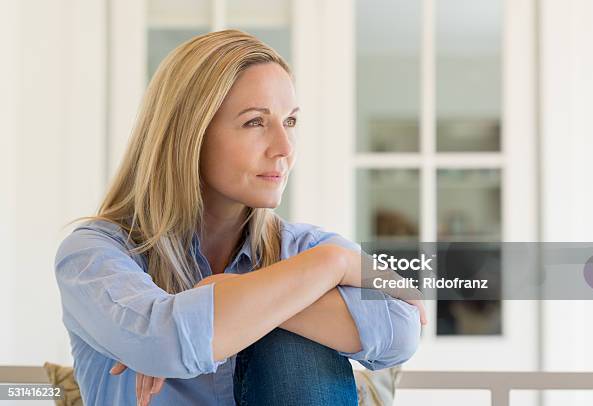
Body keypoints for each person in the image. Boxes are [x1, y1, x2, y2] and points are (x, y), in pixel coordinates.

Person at [54, 29, 426, 406]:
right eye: (255, 122)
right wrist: (333, 267)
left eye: (291, 122)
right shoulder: (92, 254)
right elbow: (162, 342)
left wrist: (221, 291)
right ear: (190, 134)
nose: (284, 148)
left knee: (295, 343)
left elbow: (402, 330)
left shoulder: (305, 249)